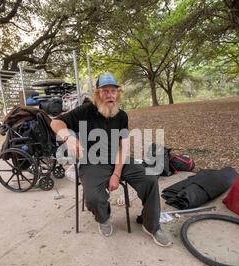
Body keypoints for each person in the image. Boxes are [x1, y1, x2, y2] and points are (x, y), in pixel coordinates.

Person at [50, 72, 172, 247]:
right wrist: (68, 137)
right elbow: (55, 122)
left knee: (150, 179)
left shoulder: (122, 116)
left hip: (118, 159)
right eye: (104, 91)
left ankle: (151, 225)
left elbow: (123, 146)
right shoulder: (85, 111)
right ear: (98, 94)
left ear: (118, 94)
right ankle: (104, 218)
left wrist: (116, 173)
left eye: (113, 91)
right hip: (92, 161)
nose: (109, 95)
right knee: (92, 198)